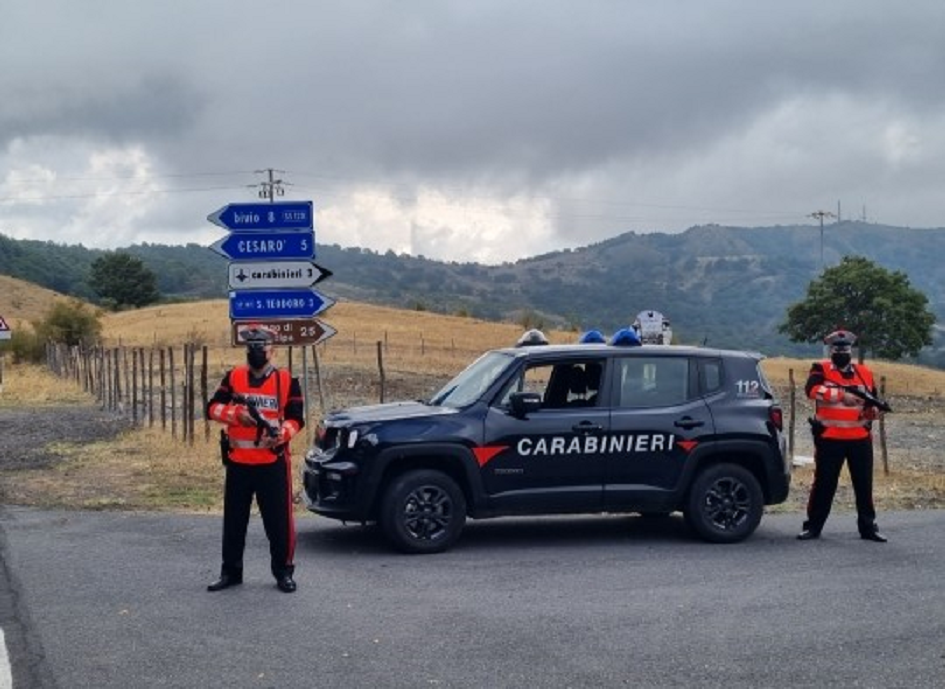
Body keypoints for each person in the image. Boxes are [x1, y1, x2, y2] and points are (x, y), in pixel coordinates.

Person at [206, 324, 306, 592]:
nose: (256, 351)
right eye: (251, 347)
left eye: (261, 346)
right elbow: (211, 408)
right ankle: (231, 572)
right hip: (238, 461)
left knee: (279, 523)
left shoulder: (286, 380)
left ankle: (283, 572)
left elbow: (297, 418)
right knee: (234, 521)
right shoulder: (233, 377)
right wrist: (234, 415)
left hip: (272, 462)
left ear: (272, 350)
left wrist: (282, 434)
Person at [798, 329, 887, 543]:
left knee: (864, 485)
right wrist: (840, 395)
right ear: (830, 350)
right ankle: (813, 527)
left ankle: (868, 528)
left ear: (851, 350)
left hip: (859, 438)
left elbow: (870, 402)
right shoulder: (821, 369)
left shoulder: (864, 373)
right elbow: (811, 390)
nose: (841, 352)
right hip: (830, 437)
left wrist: (873, 412)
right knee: (824, 484)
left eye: (845, 349)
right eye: (837, 349)